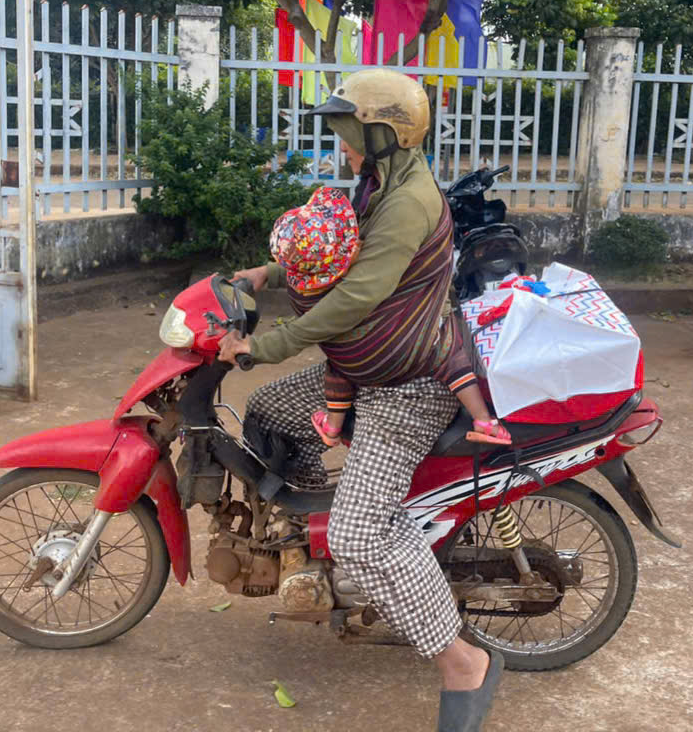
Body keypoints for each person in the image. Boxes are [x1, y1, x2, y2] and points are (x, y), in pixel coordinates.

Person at [218, 69, 504, 731]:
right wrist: (268, 272)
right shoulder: (378, 183)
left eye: (350, 133)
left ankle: (463, 661)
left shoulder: (408, 201)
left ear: (385, 133)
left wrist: (266, 345)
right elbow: (335, 255)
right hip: (366, 366)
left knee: (359, 534)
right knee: (268, 414)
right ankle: (310, 547)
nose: (342, 145)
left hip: (409, 385)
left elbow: (354, 296)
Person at [268, 188, 511, 448]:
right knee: (451, 355)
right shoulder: (370, 268)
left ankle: (332, 425)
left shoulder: (314, 292)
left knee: (338, 363)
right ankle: (483, 420)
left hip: (356, 358)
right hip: (405, 347)